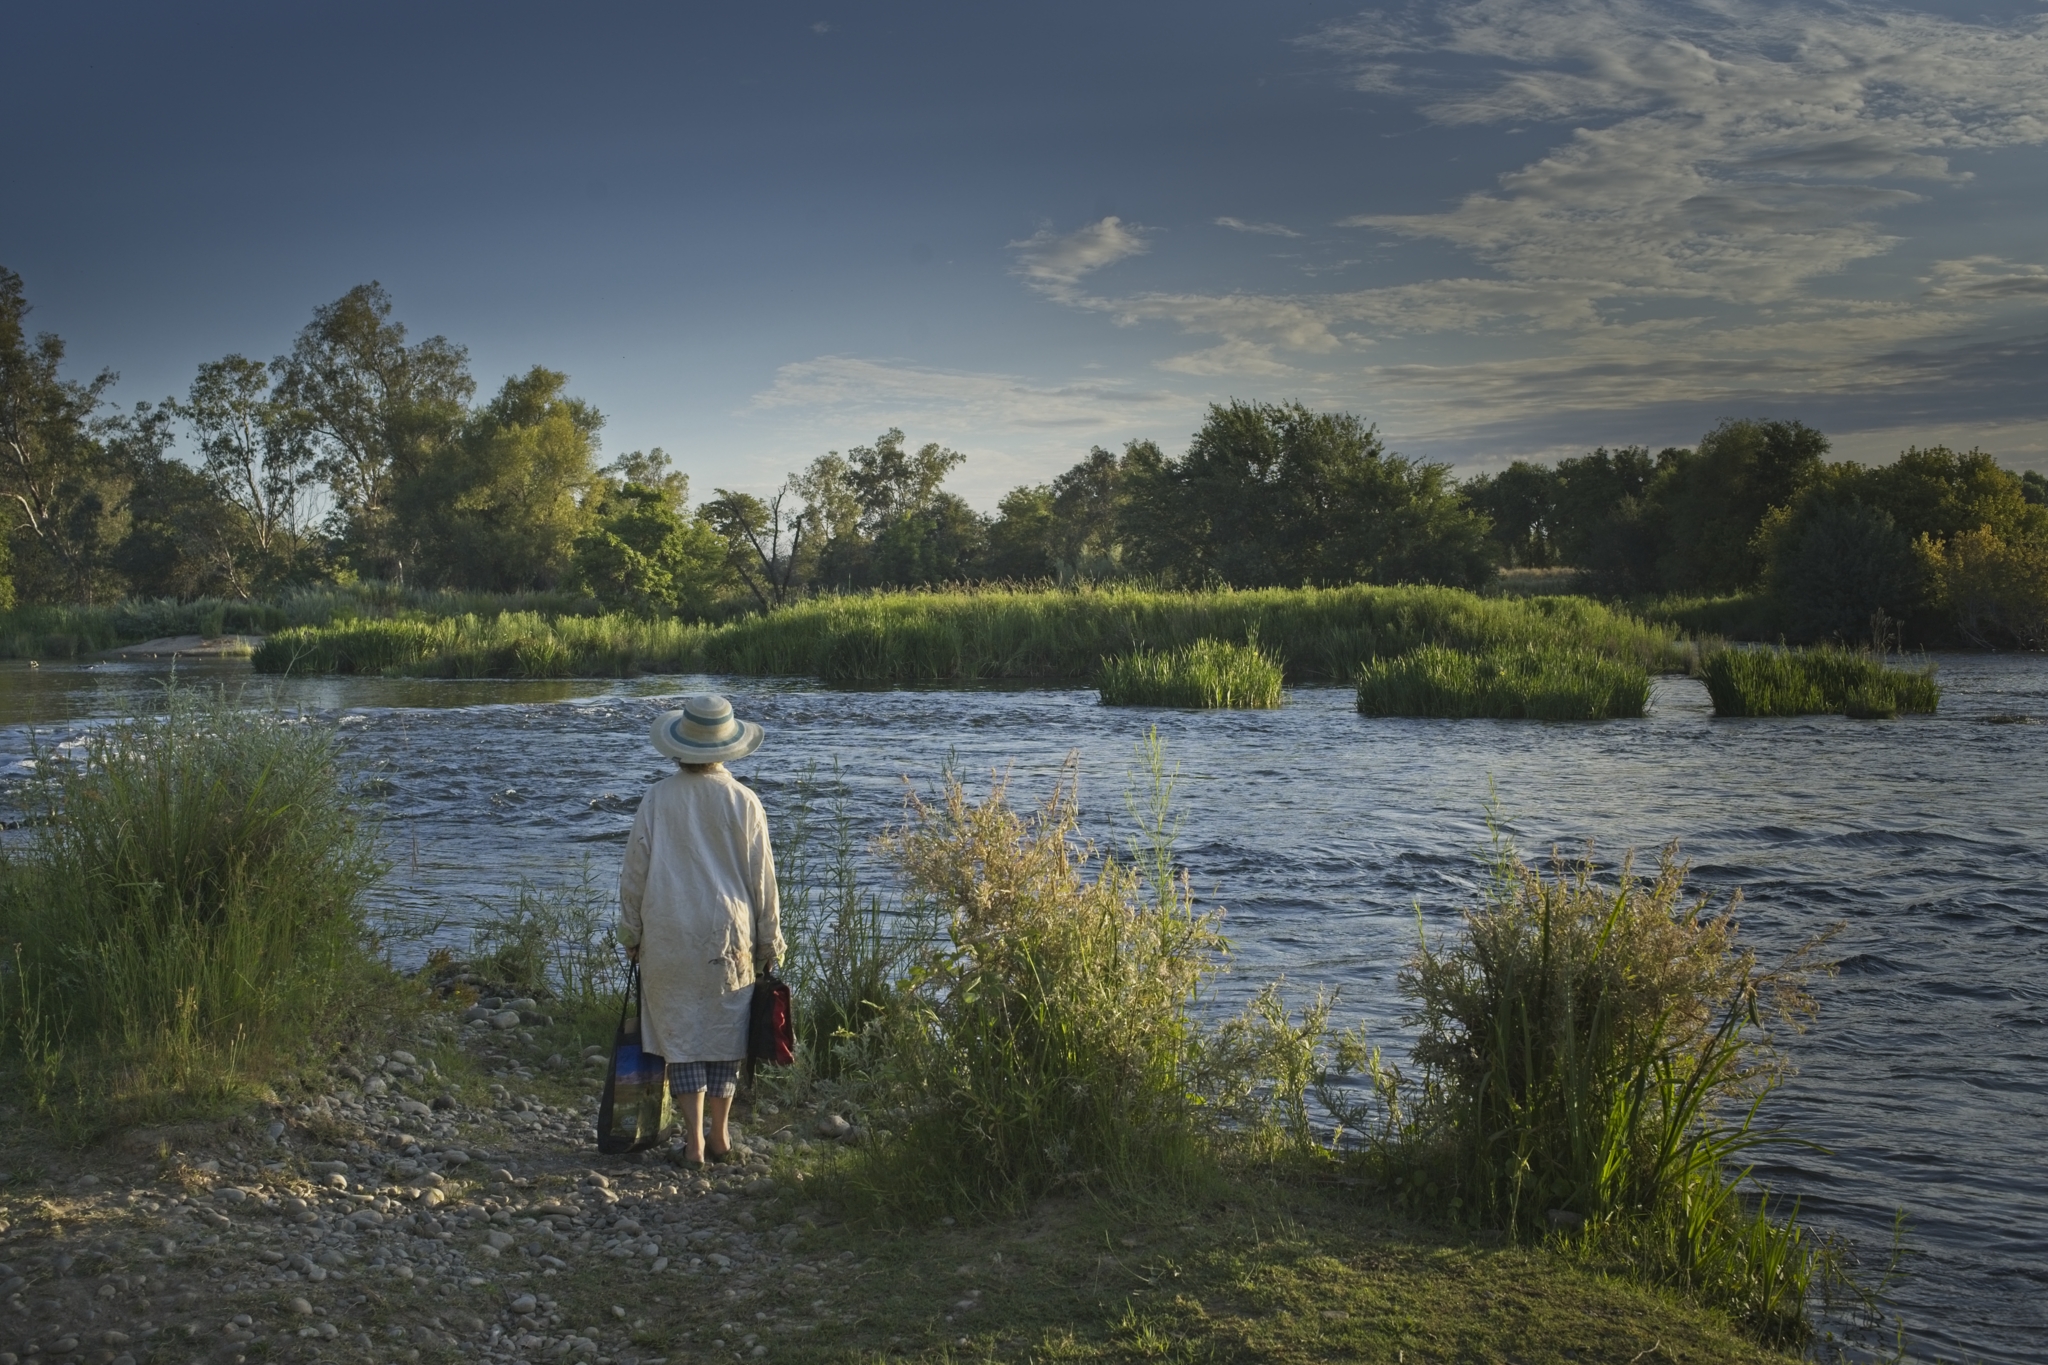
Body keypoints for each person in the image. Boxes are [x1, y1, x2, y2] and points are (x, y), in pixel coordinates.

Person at [617, 694, 783, 1169]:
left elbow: (634, 873)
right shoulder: (745, 801)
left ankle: (691, 1143)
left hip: (668, 933)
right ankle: (721, 1138)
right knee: (725, 1034)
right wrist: (770, 942)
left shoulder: (657, 798)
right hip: (727, 936)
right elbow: (762, 880)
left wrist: (631, 932)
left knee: (683, 1038)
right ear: (727, 748)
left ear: (679, 747)